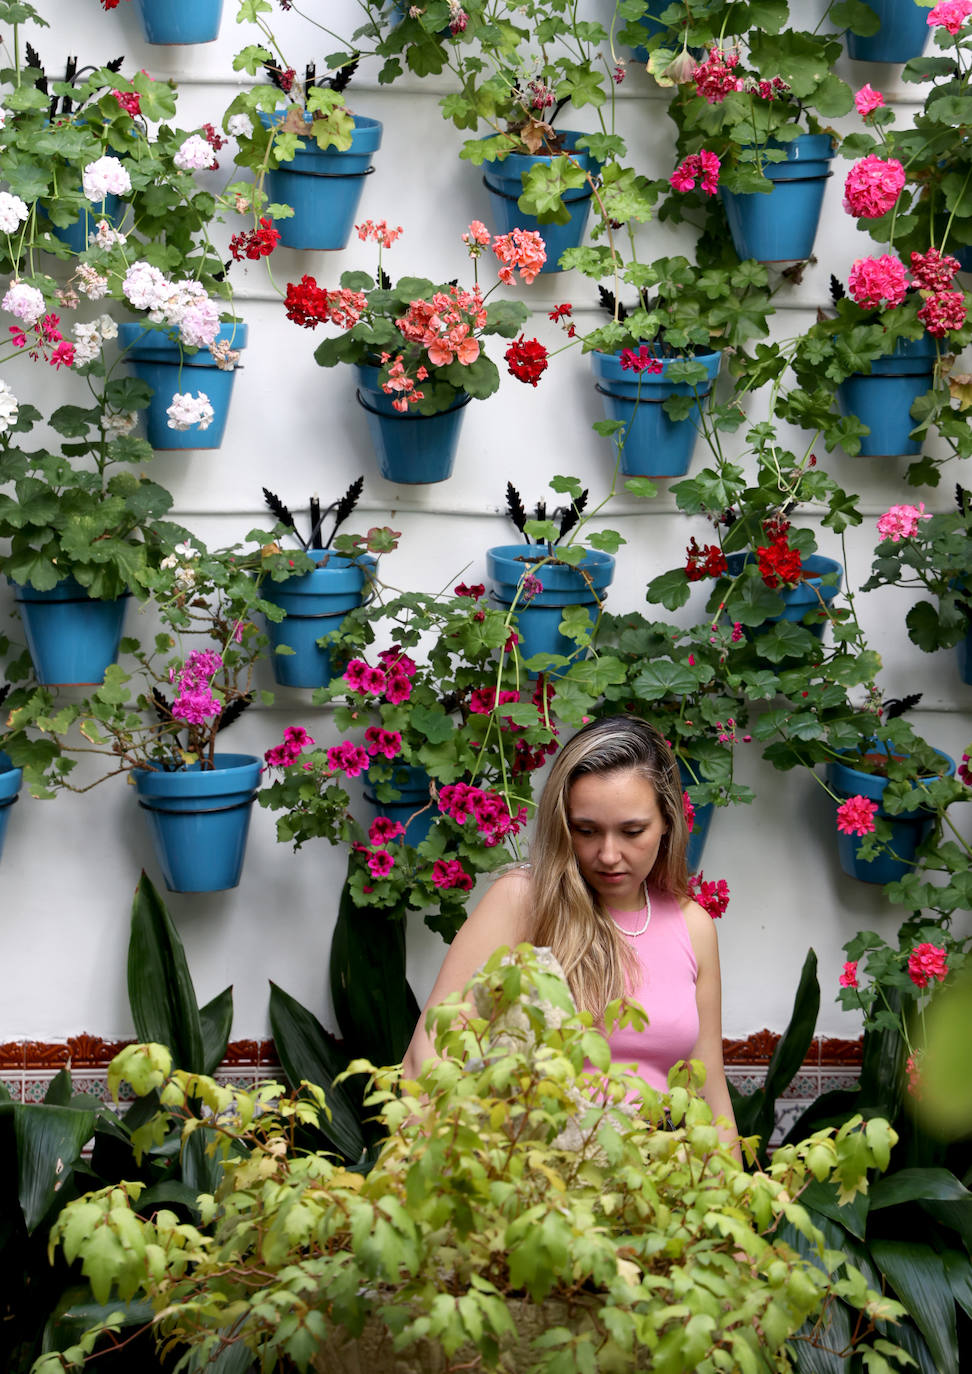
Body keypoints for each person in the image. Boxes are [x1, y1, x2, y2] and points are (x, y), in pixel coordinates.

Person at [402, 715, 739, 1149]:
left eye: (632, 831)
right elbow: (427, 1057)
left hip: (657, 1190)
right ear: (564, 824)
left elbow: (709, 1089)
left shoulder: (692, 926)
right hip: (540, 1185)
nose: (609, 854)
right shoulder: (522, 900)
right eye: (586, 830)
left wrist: (734, 1204)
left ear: (667, 823)